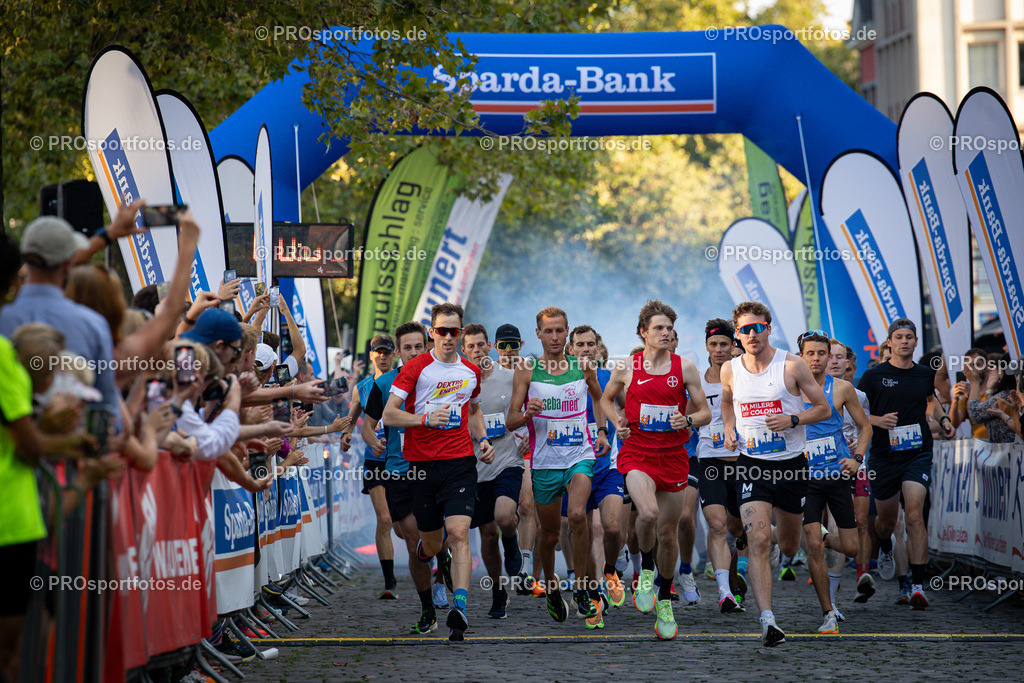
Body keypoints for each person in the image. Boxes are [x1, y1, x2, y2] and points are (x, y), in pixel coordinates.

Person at [720, 301, 830, 647]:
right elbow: (727, 402)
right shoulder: (730, 369)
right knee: (758, 540)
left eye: (758, 327)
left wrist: (793, 419)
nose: (752, 334)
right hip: (752, 465)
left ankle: (771, 539)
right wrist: (728, 428)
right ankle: (767, 620)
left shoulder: (792, 365)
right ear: (738, 335)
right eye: (745, 329)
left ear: (768, 328)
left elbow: (823, 408)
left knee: (789, 544)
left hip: (792, 466)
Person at [600, 300, 711, 640]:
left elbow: (705, 413)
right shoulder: (627, 366)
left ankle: (664, 599)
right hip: (637, 454)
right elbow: (605, 399)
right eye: (658, 328)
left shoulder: (685, 368)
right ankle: (646, 570)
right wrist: (617, 420)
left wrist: (687, 420)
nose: (665, 333)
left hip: (673, 457)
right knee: (647, 514)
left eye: (669, 328)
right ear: (643, 332)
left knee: (668, 533)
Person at [383, 303, 494, 641]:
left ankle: (459, 607)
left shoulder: (470, 371)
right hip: (422, 467)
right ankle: (427, 552)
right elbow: (389, 415)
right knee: (432, 544)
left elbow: (473, 410)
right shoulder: (416, 368)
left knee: (459, 534)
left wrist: (483, 439)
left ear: (461, 333)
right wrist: (424, 419)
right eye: (442, 331)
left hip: (459, 464)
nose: (448, 337)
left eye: (454, 331)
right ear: (432, 332)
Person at [507, 307, 611, 629]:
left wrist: (602, 431)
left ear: (567, 332)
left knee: (578, 515)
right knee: (550, 534)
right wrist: (527, 414)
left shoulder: (583, 366)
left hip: (580, 455)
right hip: (545, 461)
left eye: (559, 331)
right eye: (548, 331)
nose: (554, 337)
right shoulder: (527, 370)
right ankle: (552, 587)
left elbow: (599, 399)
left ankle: (581, 587)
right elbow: (511, 420)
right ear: (538, 334)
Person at [858, 318, 955, 610]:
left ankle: (917, 585)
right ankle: (885, 544)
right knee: (886, 521)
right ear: (889, 342)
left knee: (914, 514)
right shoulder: (873, 376)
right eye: (898, 337)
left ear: (915, 342)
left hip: (917, 452)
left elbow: (931, 400)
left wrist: (944, 419)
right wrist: (877, 420)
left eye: (909, 337)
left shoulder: (925, 373)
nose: (904, 341)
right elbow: (853, 412)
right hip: (884, 456)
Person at [0, 216, 119, 417]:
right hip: (75, 434)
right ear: (67, 265)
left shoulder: (4, 318)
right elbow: (107, 409)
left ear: (26, 259)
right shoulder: (93, 324)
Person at [362, 321, 438, 632]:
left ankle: (443, 564)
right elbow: (368, 426)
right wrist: (374, 442)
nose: (414, 352)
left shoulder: (441, 378)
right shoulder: (384, 384)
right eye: (407, 348)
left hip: (434, 466)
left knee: (441, 537)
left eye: (419, 346)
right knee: (411, 538)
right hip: (398, 470)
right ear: (398, 352)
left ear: (427, 346)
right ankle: (428, 610)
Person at [797, 331, 872, 634]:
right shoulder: (789, 390)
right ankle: (828, 612)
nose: (816, 358)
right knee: (813, 545)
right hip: (804, 478)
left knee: (852, 548)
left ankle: (822, 536)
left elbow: (866, 427)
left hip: (838, 474)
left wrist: (857, 459)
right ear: (801, 356)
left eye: (821, 353)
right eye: (810, 353)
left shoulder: (841, 388)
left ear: (829, 357)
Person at [461, 323, 526, 619]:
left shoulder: (510, 377)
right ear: (464, 350)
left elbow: (525, 412)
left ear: (490, 346)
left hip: (507, 460)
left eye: (481, 345)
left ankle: (511, 542)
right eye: (471, 346)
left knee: (504, 517)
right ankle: (499, 591)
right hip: (475, 468)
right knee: (487, 536)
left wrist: (527, 434)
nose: (477, 350)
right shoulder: (459, 383)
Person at [567, 325, 627, 611]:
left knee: (613, 527)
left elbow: (627, 406)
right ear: (570, 350)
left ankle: (610, 570)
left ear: (598, 348)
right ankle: (593, 589)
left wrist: (623, 424)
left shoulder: (610, 378)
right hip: (575, 467)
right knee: (583, 530)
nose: (586, 349)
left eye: (590, 344)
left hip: (608, 466)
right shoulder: (561, 380)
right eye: (580, 345)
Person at [692, 319, 746, 613]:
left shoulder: (746, 378)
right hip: (710, 462)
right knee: (717, 525)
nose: (719, 349)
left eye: (724, 344)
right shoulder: (697, 382)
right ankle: (725, 592)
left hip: (743, 463)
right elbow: (686, 416)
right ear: (706, 347)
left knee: (736, 529)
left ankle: (734, 578)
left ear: (732, 346)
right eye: (713, 344)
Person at [495, 323, 540, 594]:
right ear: (495, 347)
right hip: (496, 448)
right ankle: (507, 546)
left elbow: (545, 409)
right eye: (504, 345)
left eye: (514, 344)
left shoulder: (531, 372)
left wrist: (531, 437)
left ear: (521, 346)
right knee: (502, 516)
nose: (509, 350)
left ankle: (524, 569)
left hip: (525, 448)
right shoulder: (488, 374)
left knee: (526, 505)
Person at [355, 334, 400, 598]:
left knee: (403, 526)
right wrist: (345, 434)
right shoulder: (361, 387)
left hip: (401, 459)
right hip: (374, 461)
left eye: (387, 352)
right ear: (371, 355)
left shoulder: (402, 381)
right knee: (384, 519)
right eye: (378, 352)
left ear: (394, 355)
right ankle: (389, 582)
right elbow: (353, 419)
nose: (383, 357)